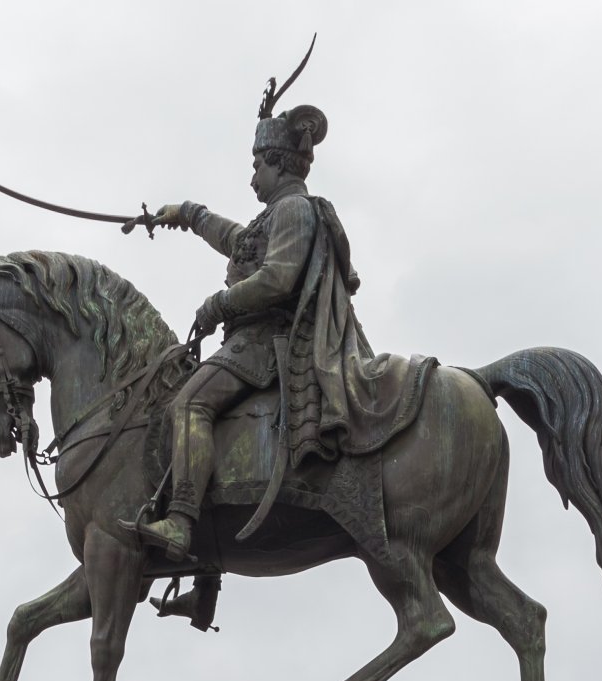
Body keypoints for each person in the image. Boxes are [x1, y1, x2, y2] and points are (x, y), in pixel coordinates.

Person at [137, 77, 428, 564]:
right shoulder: (271, 217)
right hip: (250, 343)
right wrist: (186, 214)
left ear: (275, 162)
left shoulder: (293, 209)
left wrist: (219, 305)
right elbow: (234, 238)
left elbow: (277, 279)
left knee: (188, 406)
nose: (252, 177)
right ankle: (205, 578)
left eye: (255, 165)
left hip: (265, 345)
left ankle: (182, 523)